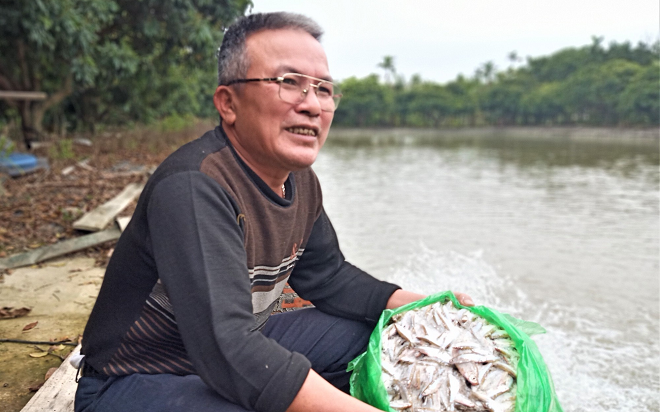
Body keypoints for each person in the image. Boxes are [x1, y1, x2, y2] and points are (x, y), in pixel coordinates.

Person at [75, 12, 474, 412]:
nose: (313, 105)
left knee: (377, 337)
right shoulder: (195, 187)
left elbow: (330, 278)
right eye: (289, 83)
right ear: (228, 104)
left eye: (324, 89)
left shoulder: (299, 181)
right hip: (137, 378)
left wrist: (427, 306)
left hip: (240, 345)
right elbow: (227, 348)